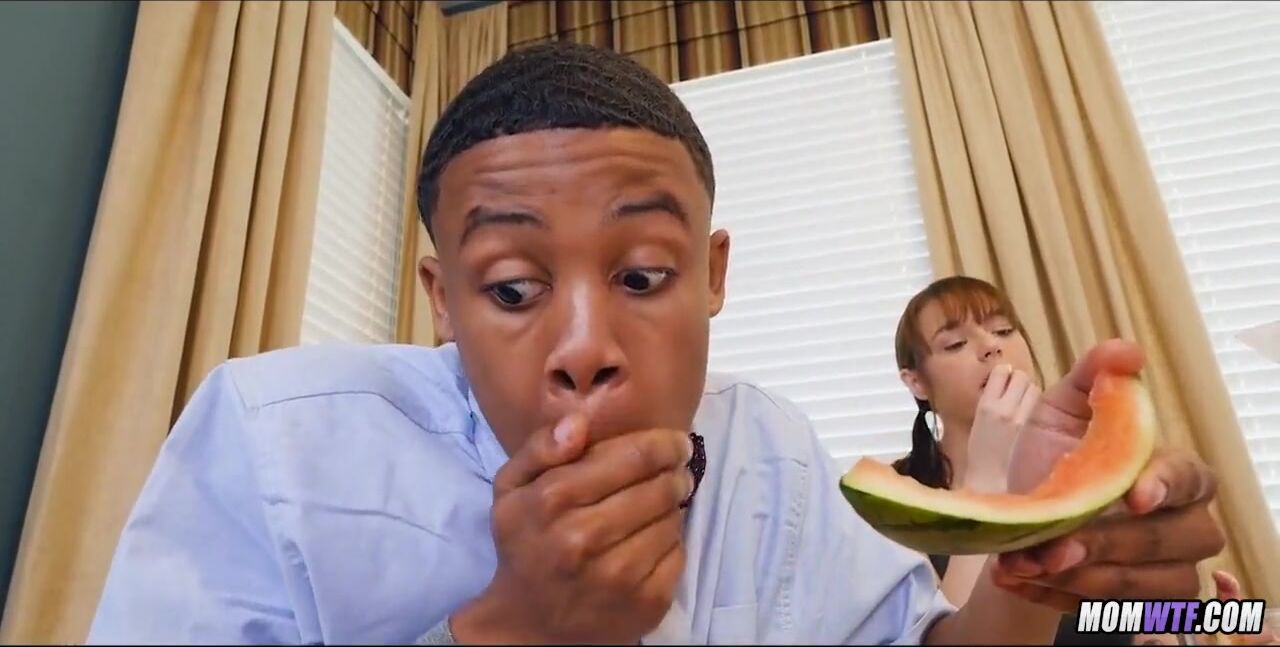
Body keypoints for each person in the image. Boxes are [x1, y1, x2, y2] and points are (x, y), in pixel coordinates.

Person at [87, 41, 1227, 645]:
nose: (585, 347)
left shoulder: (768, 449)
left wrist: (1033, 568)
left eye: (640, 276)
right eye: (514, 287)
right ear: (441, 297)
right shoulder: (271, 443)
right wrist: (514, 634)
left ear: (713, 276)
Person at [891, 276, 1273, 646]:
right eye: (955, 344)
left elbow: (1129, 620)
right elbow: (948, 632)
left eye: (1003, 330)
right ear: (915, 382)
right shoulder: (897, 501)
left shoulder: (1087, 469)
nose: (991, 346)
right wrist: (988, 475)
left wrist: (1222, 626)